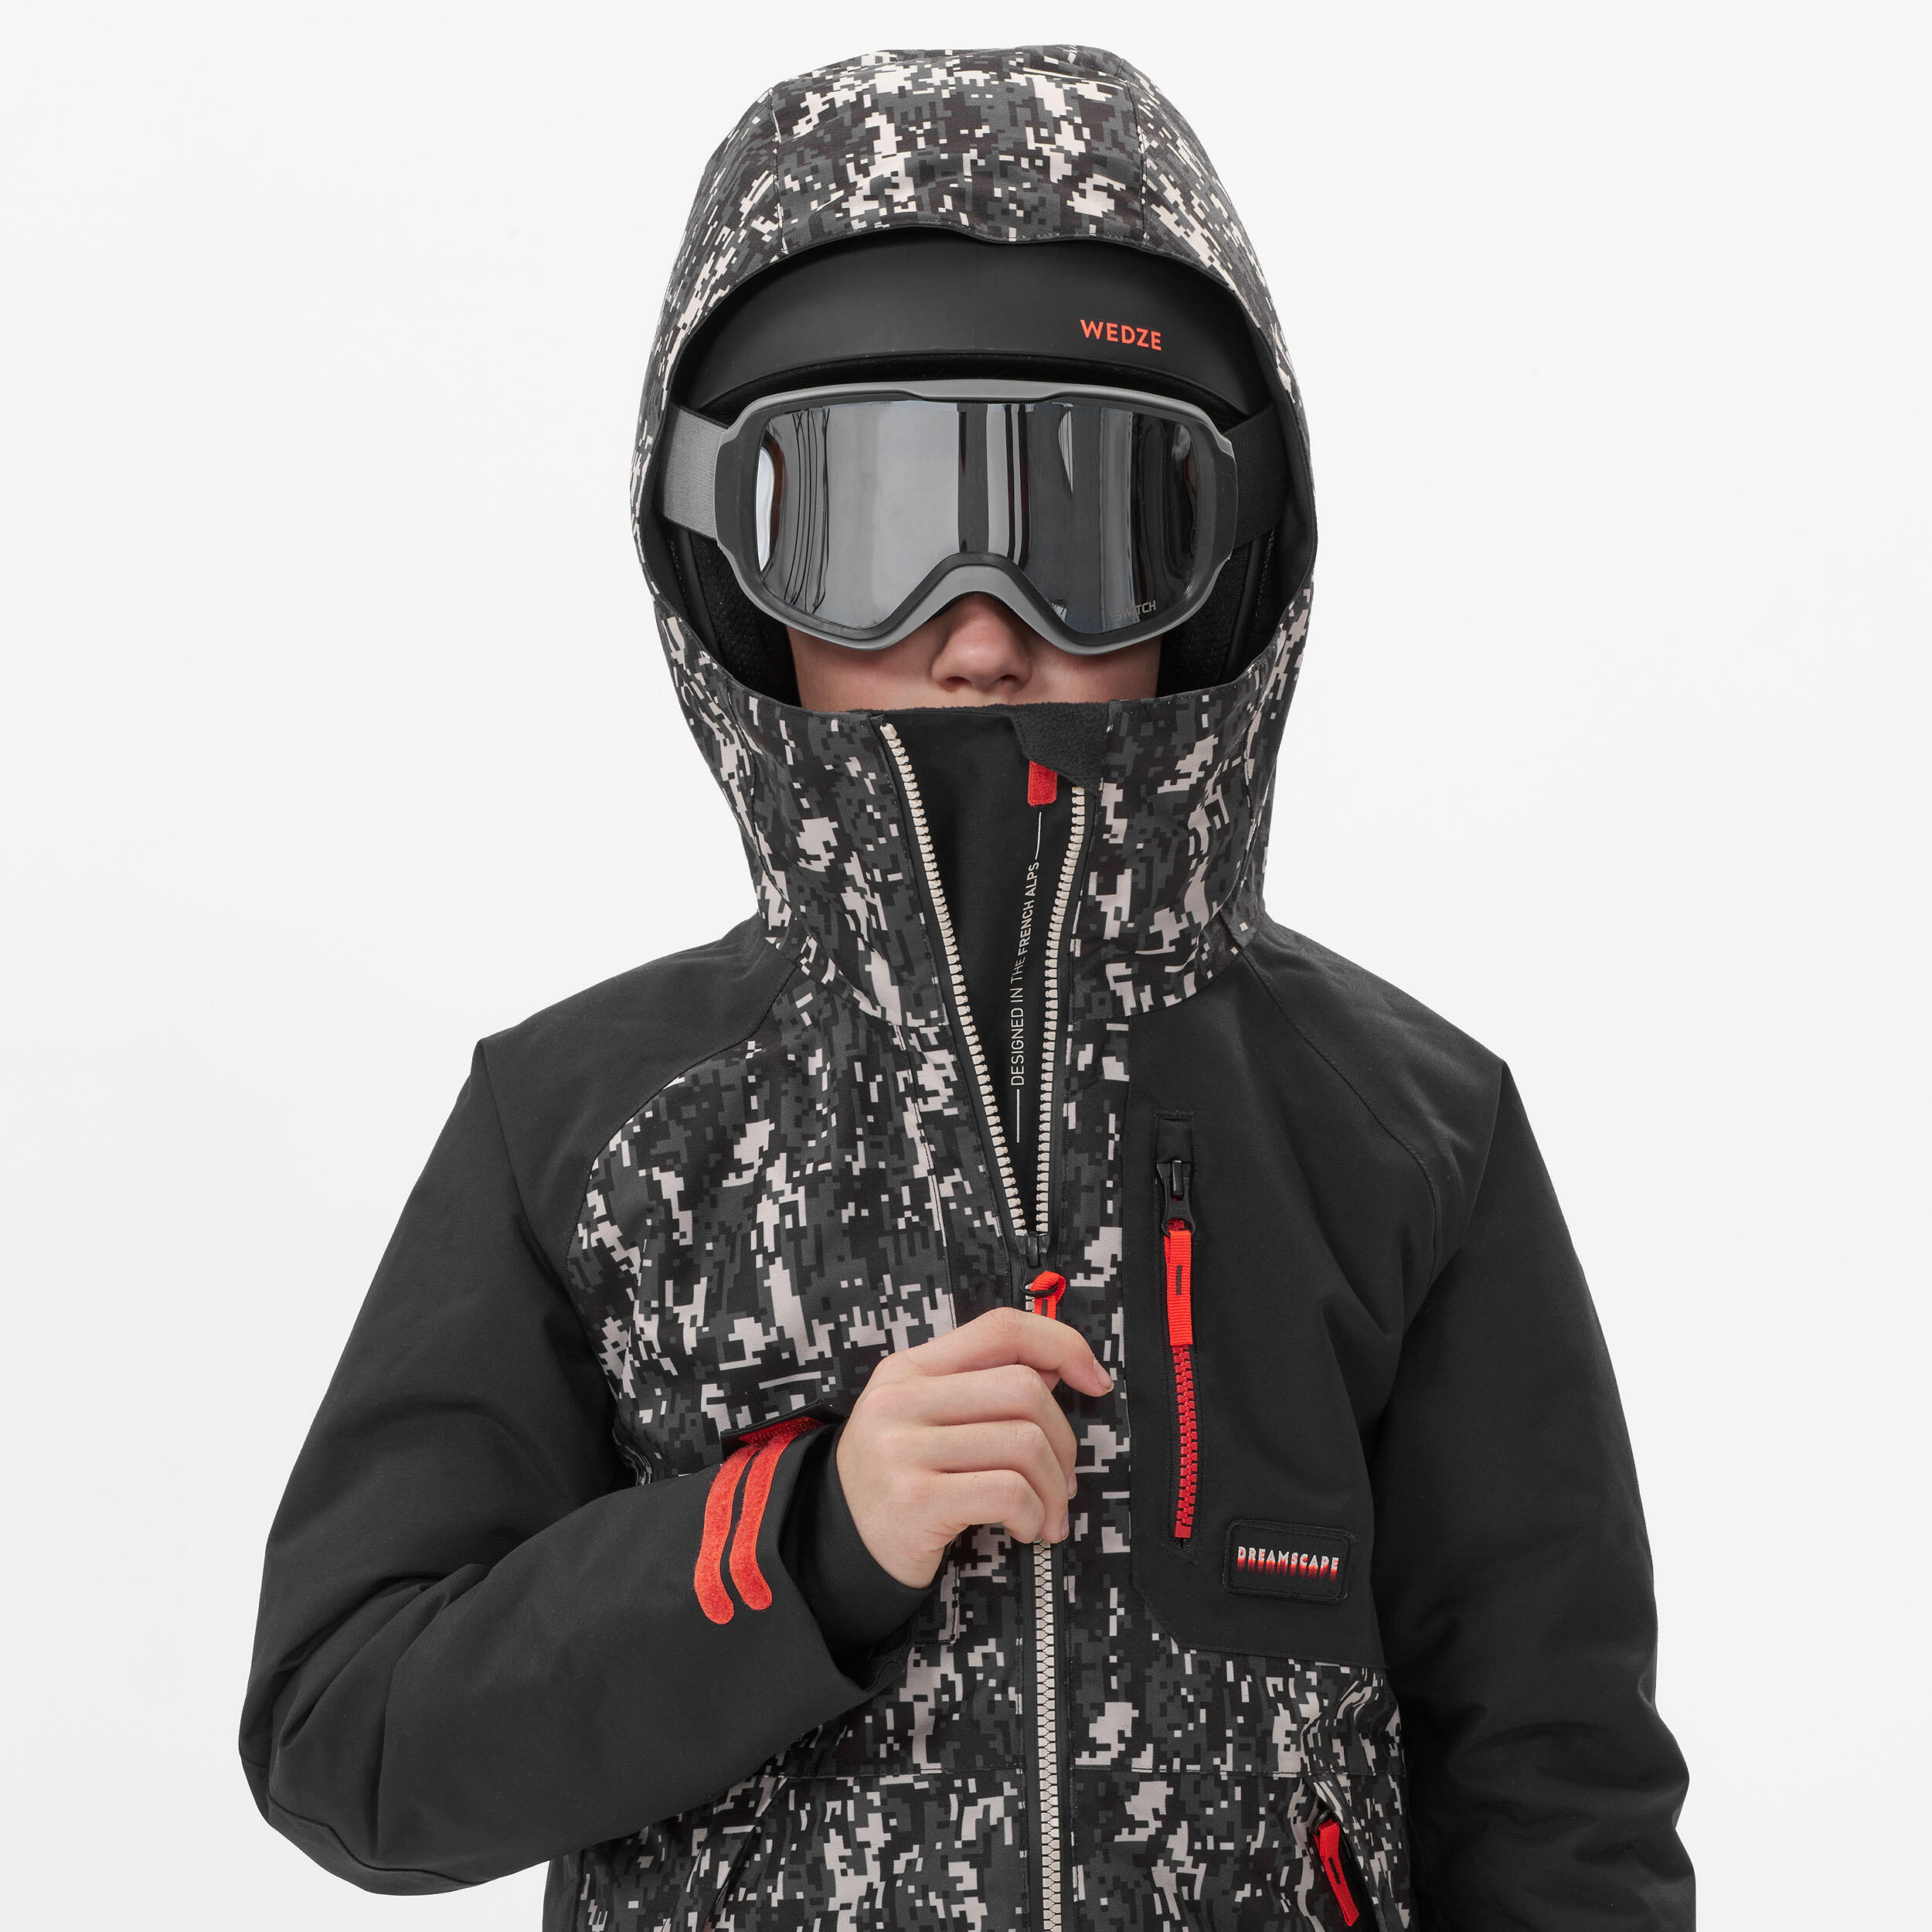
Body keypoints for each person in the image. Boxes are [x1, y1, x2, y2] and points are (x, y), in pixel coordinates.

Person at [241, 44, 1694, 1931]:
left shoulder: (1402, 1129)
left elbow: (1555, 1778)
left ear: (1220, 565)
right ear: (733, 571)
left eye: (1088, 526)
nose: (984, 629)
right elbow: (349, 1732)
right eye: (867, 529)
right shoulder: (593, 1131)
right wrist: (802, 1540)